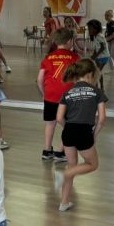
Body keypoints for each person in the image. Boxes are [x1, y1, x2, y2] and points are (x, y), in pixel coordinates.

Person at [55, 60, 106, 212]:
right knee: (92, 164)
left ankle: (64, 202)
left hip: (68, 132)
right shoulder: (97, 92)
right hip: (84, 132)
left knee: (72, 165)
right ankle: (64, 174)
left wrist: (69, 128)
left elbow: (59, 118)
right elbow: (102, 119)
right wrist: (94, 135)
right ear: (90, 74)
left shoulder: (68, 93)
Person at [38, 27, 78, 162]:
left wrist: (44, 93)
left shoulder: (48, 57)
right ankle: (61, 152)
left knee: (50, 123)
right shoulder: (74, 57)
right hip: (67, 97)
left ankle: (47, 151)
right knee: (69, 124)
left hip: (50, 95)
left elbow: (39, 79)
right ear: (69, 41)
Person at [87, 19, 109, 86]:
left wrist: (95, 55)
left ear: (96, 29)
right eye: (88, 29)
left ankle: (96, 86)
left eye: (90, 29)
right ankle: (100, 87)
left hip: (103, 57)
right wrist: (93, 55)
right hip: (100, 57)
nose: (89, 30)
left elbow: (102, 47)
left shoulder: (99, 36)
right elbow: (97, 47)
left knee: (97, 72)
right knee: (98, 72)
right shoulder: (96, 36)